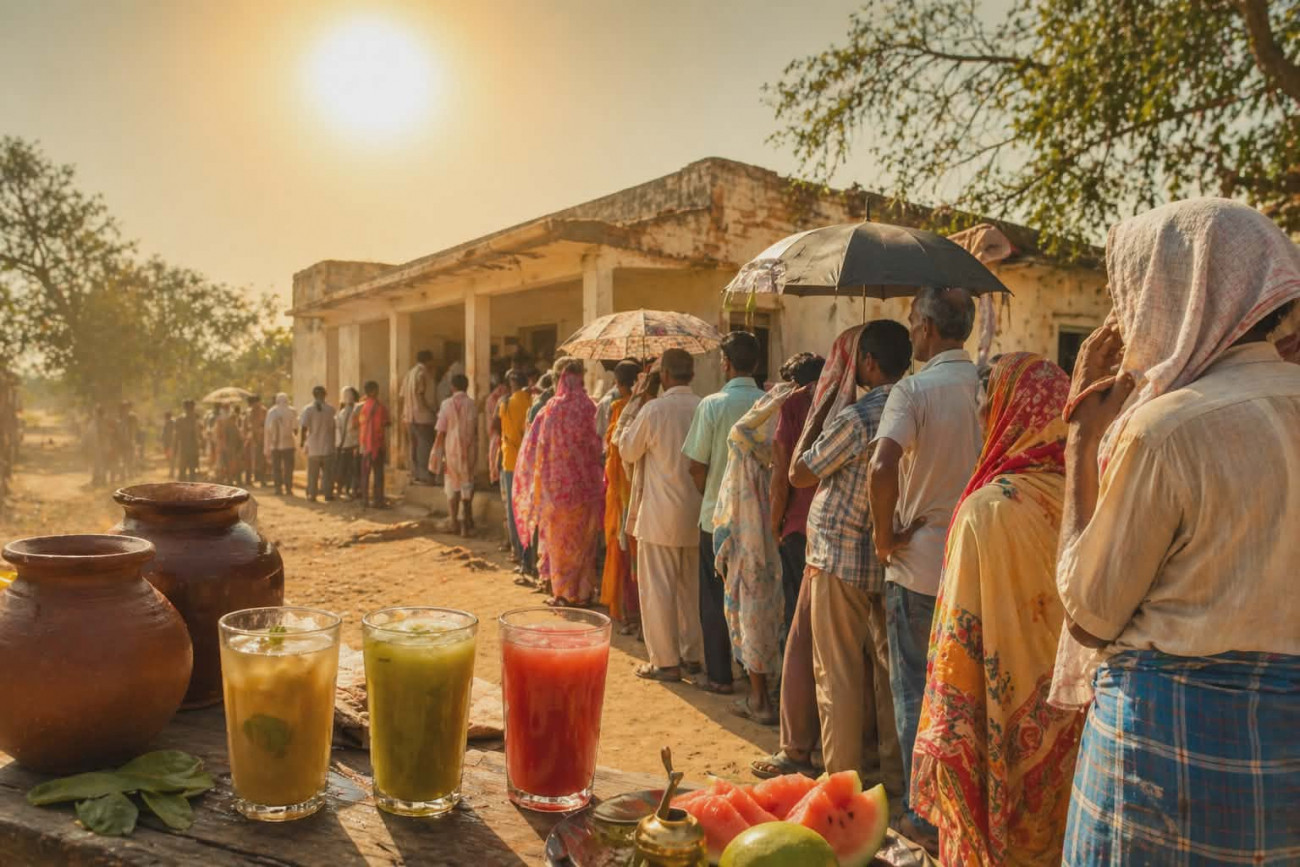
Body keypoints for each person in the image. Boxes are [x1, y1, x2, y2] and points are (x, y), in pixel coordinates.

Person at [1053, 200, 1300, 864]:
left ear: (1177, 297)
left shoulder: (1165, 430)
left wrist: (1081, 437)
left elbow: (1088, 614)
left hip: (1166, 771)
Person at [911, 353, 1085, 866]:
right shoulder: (1092, 500)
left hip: (1001, 728)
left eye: (988, 406)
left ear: (1009, 414)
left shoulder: (986, 512)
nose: (982, 417)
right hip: (1079, 730)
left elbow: (956, 643)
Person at [867, 286, 980, 843]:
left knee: (915, 688)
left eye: (913, 323)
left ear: (930, 329)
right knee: (966, 692)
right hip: (977, 562)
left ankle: (924, 812)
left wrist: (883, 537)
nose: (910, 332)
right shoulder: (988, 386)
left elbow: (882, 463)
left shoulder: (913, 390)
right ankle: (963, 805)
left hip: (916, 564)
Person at [794, 323, 910, 802]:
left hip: (842, 555)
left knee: (838, 673)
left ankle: (840, 786)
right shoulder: (914, 407)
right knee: (887, 677)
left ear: (867, 364)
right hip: (895, 558)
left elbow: (800, 473)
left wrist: (819, 416)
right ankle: (893, 778)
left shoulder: (859, 416)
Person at [682, 330, 765, 695]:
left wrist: (712, 494)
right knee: (756, 595)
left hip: (716, 517)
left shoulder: (712, 405)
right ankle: (754, 672)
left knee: (715, 598)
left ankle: (719, 675)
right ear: (757, 364)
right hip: (760, 517)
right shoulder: (770, 403)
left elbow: (695, 464)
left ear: (726, 364)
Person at [713, 376, 797, 725]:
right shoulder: (796, 430)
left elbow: (740, 434)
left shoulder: (751, 436)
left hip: (755, 541)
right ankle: (774, 698)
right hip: (784, 537)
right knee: (783, 617)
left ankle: (760, 698)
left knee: (755, 616)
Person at [620, 349, 703, 681]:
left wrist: (637, 401)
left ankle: (665, 662)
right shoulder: (703, 406)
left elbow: (627, 448)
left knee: (658, 592)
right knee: (691, 592)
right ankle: (693, 655)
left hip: (658, 517)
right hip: (696, 513)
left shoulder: (654, 410)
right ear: (691, 375)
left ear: (664, 376)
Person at [512, 360, 604, 606]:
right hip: (587, 490)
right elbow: (599, 446)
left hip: (557, 492)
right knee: (584, 544)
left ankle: (564, 594)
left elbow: (535, 449)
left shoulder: (551, 410)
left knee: (561, 545)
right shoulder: (591, 407)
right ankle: (584, 593)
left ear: (560, 378)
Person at [769, 353, 824, 637]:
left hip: (797, 526)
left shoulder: (791, 406)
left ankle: (794, 680)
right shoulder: (839, 402)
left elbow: (781, 474)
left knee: (796, 612)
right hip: (829, 529)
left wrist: (774, 524)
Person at [599, 359, 642, 628]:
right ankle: (634, 612)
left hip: (623, 493)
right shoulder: (647, 408)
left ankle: (628, 613)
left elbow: (613, 451)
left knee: (624, 554)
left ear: (617, 383)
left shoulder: (619, 410)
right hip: (638, 491)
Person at [430, 373, 477, 536]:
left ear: (452, 387)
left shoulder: (446, 404)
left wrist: (437, 451)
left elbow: (441, 431)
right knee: (467, 484)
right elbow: (475, 429)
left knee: (451, 485)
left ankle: (453, 521)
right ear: (467, 386)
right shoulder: (472, 404)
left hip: (451, 453)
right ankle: (466, 522)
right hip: (469, 451)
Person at [498, 370, 534, 577]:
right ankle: (530, 557)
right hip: (529, 462)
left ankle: (521, 555)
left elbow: (500, 428)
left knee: (514, 512)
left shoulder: (506, 404)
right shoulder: (532, 401)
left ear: (511, 383)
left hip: (511, 461)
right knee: (529, 510)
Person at [400, 349, 438, 485]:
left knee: (414, 447)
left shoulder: (409, 374)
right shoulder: (423, 374)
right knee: (425, 446)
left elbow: (402, 396)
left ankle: (415, 474)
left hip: (409, 417)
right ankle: (425, 476)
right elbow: (421, 394)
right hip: (423, 416)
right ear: (428, 360)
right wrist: (432, 409)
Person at [357, 380, 391, 508]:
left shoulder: (363, 406)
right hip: (376, 444)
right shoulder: (379, 406)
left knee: (365, 473)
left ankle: (365, 499)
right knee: (378, 474)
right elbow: (382, 424)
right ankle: (378, 500)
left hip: (365, 444)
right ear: (373, 391)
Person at [299, 385, 336, 502]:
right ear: (325, 395)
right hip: (327, 446)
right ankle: (328, 494)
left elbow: (304, 427)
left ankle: (312, 494)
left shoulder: (308, 409)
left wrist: (302, 442)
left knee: (313, 474)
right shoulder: (330, 409)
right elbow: (334, 427)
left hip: (314, 447)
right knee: (327, 474)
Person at [264, 393, 297, 496]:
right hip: (289, 444)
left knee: (276, 468)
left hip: (275, 445)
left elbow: (267, 430)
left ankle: (278, 488)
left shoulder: (272, 412)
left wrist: (267, 447)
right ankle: (288, 488)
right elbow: (296, 428)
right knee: (288, 468)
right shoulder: (292, 411)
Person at [334, 386, 361, 499]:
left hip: (342, 445)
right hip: (354, 445)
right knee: (354, 470)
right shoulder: (357, 410)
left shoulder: (340, 413)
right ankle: (352, 490)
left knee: (343, 469)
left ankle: (341, 490)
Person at [244, 395, 268, 487]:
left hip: (260, 438)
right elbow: (246, 426)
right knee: (250, 459)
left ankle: (261, 479)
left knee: (261, 460)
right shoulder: (250, 411)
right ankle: (251, 479)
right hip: (253, 438)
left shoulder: (263, 411)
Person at [175, 400, 201, 482]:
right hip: (186, 449)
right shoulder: (181, 419)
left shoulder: (194, 419)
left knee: (191, 472)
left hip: (190, 449)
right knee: (184, 472)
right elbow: (177, 435)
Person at [161, 411, 177, 479]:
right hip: (171, 443)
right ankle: (171, 472)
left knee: (171, 459)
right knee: (171, 459)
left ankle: (172, 473)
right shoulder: (173, 422)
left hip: (170, 443)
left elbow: (165, 435)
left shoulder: (169, 423)